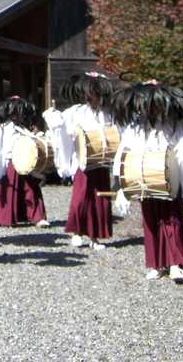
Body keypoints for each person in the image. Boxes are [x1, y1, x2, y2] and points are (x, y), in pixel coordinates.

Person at [111, 81, 183, 282]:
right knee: (151, 222)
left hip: (170, 181)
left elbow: (182, 151)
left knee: (173, 220)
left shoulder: (174, 126)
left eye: (154, 105)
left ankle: (175, 264)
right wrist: (121, 183)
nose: (150, 109)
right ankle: (156, 264)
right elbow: (124, 153)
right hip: (145, 181)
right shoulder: (134, 128)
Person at [43, 73, 118, 250]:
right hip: (82, 163)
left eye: (97, 93)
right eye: (91, 93)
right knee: (81, 198)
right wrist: (55, 122)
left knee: (100, 200)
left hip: (101, 163)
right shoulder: (75, 112)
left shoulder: (109, 114)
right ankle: (77, 232)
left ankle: (95, 237)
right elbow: (63, 132)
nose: (93, 97)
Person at [0, 96, 50, 228]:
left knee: (31, 189)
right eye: (15, 112)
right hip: (10, 163)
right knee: (9, 190)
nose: (17, 115)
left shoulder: (24, 129)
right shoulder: (1, 128)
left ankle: (37, 216)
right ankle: (6, 217)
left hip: (25, 161)